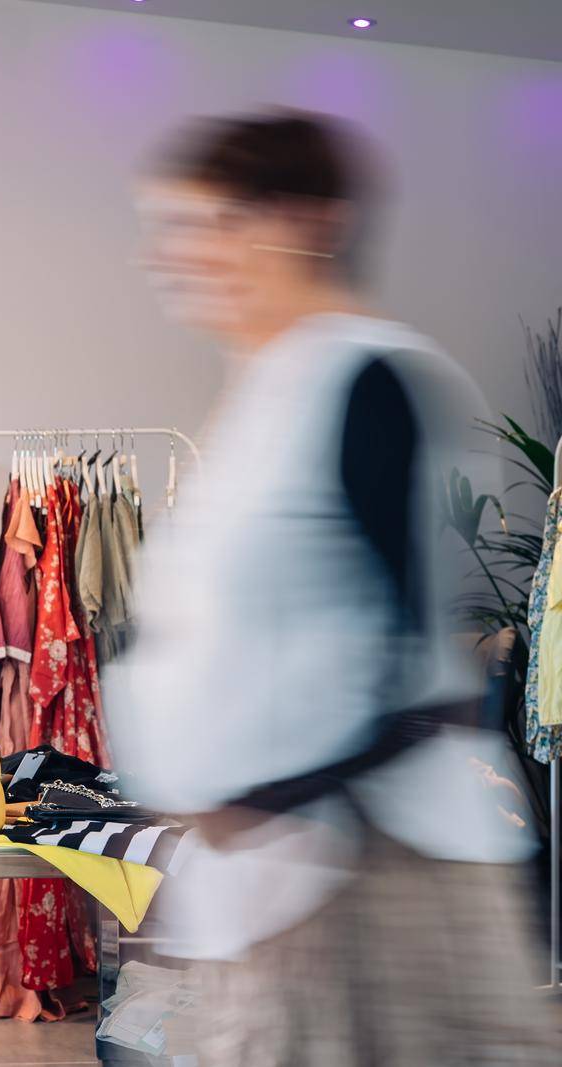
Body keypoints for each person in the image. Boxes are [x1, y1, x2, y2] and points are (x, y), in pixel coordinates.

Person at [108, 111, 548, 1064]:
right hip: (270, 875)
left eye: (212, 222)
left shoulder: (366, 377)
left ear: (309, 220)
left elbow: (402, 663)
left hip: (375, 865)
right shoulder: (258, 395)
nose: (180, 254)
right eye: (175, 228)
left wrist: (265, 795)